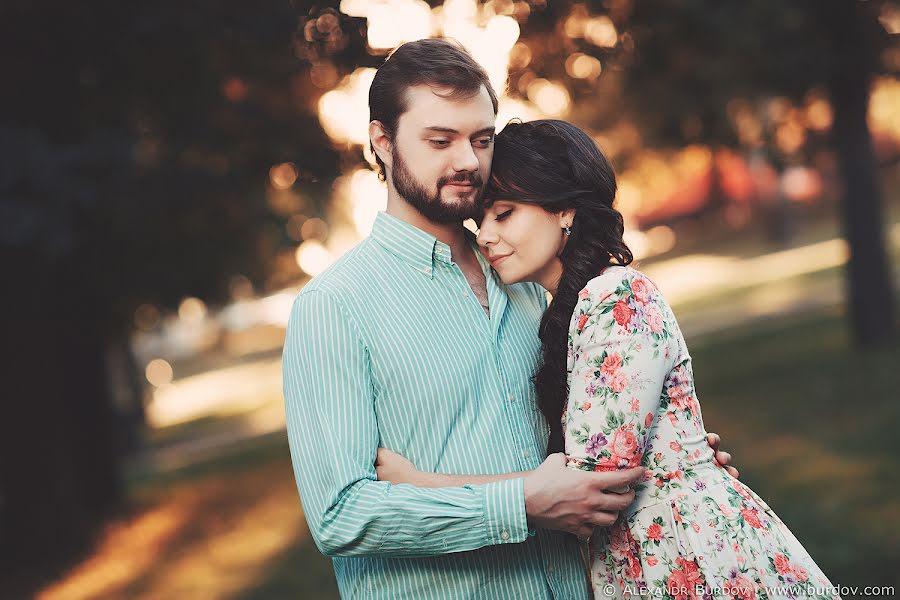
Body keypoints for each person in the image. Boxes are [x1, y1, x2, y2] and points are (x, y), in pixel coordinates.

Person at [283, 38, 733, 599]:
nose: (468, 160)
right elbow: (340, 514)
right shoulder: (334, 306)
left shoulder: (521, 280)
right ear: (382, 141)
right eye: (440, 140)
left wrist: (667, 456)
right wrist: (520, 503)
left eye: (480, 139)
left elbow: (580, 450)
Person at [375, 119, 839, 599]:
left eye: (504, 214)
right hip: (639, 559)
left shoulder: (615, 294)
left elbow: (592, 482)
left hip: (691, 555)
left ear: (565, 210)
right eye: (481, 221)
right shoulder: (565, 312)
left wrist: (424, 486)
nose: (486, 236)